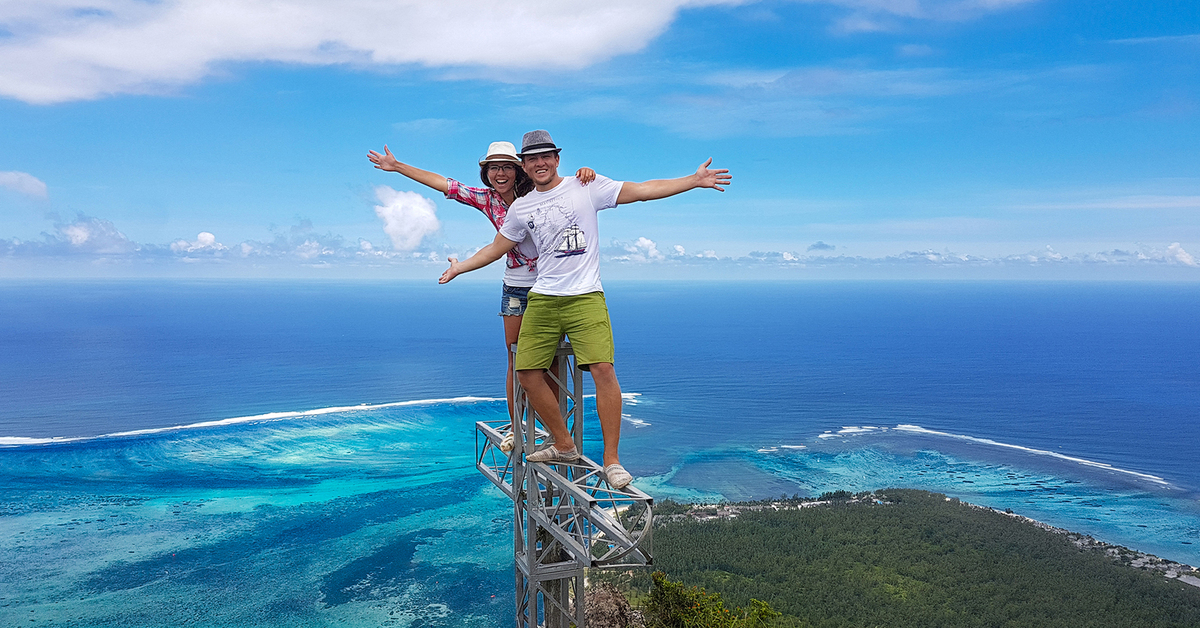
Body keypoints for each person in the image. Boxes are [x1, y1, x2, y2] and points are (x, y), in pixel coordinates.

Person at [438, 130, 731, 489]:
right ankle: (563, 443)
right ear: (525, 167)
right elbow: (497, 247)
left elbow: (641, 190)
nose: (540, 163)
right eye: (532, 159)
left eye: (546, 156)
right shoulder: (521, 207)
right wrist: (460, 267)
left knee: (603, 370)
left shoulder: (585, 186)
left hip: (585, 295)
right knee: (527, 370)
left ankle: (612, 460)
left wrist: (693, 181)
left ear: (557, 159)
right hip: (543, 295)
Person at [368, 141, 595, 451]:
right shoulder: (487, 200)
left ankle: (554, 431)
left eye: (506, 167)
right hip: (516, 286)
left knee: (550, 364)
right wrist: (398, 167)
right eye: (493, 168)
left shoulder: (538, 192)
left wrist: (586, 174)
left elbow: (568, 188)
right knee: (517, 360)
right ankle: (517, 428)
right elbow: (446, 185)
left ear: (518, 170)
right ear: (486, 172)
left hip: (551, 286)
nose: (499, 174)